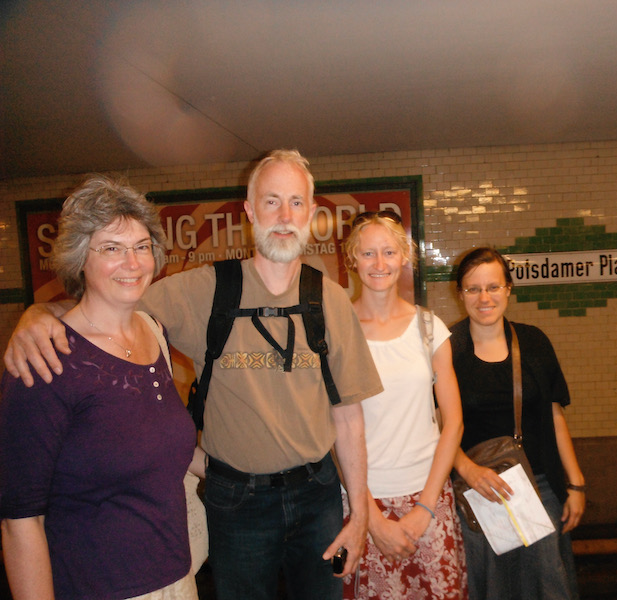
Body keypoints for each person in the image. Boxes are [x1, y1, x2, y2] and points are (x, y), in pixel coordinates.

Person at [3, 150, 383, 600]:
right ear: (249, 211)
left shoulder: (332, 300)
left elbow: (349, 416)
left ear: (312, 213)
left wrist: (360, 514)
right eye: (271, 201)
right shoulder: (202, 289)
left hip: (317, 493)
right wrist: (38, 314)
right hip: (236, 502)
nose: (284, 216)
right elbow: (108, 304)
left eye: (296, 203)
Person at [0, 175, 204, 600]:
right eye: (112, 248)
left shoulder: (153, 332)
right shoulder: (45, 360)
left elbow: (161, 446)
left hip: (178, 579)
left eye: (141, 246)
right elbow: (19, 519)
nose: (132, 263)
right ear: (79, 259)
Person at [338, 211, 468, 599]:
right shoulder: (337, 331)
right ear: (352, 260)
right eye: (368, 254)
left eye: (389, 252)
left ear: (404, 258)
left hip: (428, 499)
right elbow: (330, 431)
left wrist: (425, 509)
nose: (380, 264)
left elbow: (454, 423)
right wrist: (372, 519)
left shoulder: (430, 329)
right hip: (360, 500)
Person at [450, 247, 585, 600]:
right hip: (477, 492)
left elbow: (554, 414)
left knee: (547, 586)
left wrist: (575, 483)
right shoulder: (446, 350)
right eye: (473, 289)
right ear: (460, 293)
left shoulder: (534, 342)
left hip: (537, 486)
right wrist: (468, 470)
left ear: (508, 289)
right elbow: (432, 425)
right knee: (490, 588)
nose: (484, 298)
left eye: (493, 287)